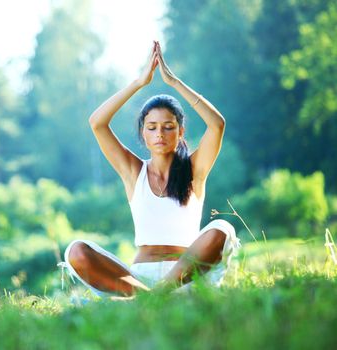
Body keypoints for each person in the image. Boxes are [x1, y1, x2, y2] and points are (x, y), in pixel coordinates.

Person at [63, 41, 240, 297]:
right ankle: (149, 298)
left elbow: (217, 125)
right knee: (76, 251)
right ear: (143, 133)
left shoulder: (194, 171)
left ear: (181, 132)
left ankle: (159, 296)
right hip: (138, 283)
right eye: (152, 127)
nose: (160, 134)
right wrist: (138, 82)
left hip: (186, 280)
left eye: (168, 126)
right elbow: (97, 123)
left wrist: (174, 82)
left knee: (222, 230)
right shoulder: (134, 172)